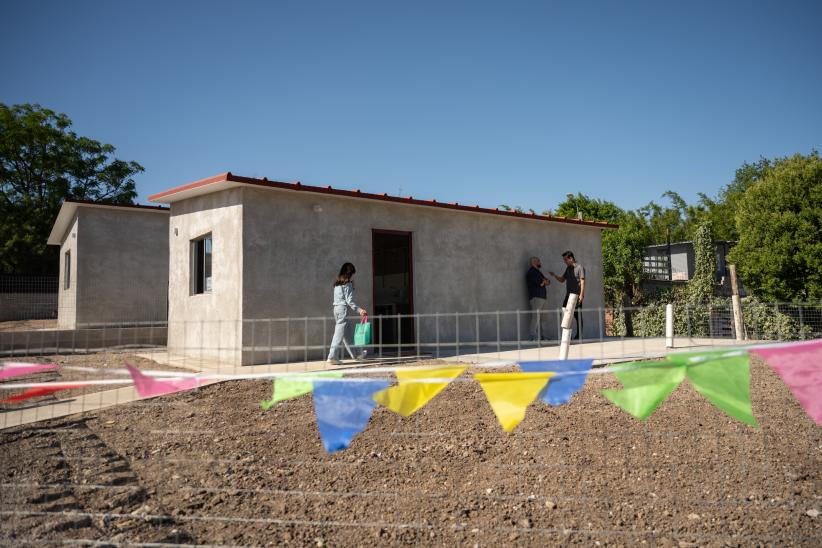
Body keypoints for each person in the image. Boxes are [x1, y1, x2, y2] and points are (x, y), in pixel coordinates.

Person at [327, 262, 367, 365]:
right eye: (352, 274)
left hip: (336, 309)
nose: (353, 276)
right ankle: (332, 356)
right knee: (339, 334)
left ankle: (357, 355)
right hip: (343, 310)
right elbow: (350, 301)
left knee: (348, 334)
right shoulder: (347, 284)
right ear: (349, 273)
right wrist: (360, 310)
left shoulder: (337, 283)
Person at [549, 251, 585, 340]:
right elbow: (562, 280)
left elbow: (582, 281)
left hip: (576, 296)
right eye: (564, 260)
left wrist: (581, 295)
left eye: (565, 260)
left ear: (571, 258)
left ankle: (579, 336)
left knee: (577, 316)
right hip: (568, 295)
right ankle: (566, 335)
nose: (564, 261)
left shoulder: (580, 267)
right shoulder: (568, 269)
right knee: (565, 313)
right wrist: (554, 275)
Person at [526, 256, 551, 341]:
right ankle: (533, 337)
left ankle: (545, 336)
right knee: (535, 317)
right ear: (534, 262)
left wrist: (544, 282)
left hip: (543, 297)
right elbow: (540, 283)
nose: (540, 262)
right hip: (536, 297)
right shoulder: (531, 272)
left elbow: (548, 282)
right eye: (538, 261)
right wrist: (543, 282)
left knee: (544, 318)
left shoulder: (538, 272)